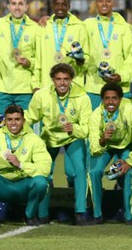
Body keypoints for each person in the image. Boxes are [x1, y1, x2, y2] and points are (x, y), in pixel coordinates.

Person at [26, 63, 93, 224]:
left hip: (72, 137)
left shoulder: (82, 97)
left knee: (78, 171)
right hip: (49, 138)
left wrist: (74, 128)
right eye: (58, 79)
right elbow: (29, 118)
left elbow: (87, 128)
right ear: (52, 80)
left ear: (71, 80)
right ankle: (42, 214)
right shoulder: (41, 96)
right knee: (44, 172)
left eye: (66, 79)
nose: (62, 83)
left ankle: (80, 213)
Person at [0, 105, 51, 226]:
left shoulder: (34, 140)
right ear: (5, 121)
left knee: (41, 182)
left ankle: (29, 215)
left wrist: (21, 164)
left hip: (24, 185)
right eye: (9, 119)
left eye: (17, 119)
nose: (13, 123)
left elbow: (45, 168)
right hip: (1, 185)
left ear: (23, 121)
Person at [88, 82, 132, 225]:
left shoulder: (130, 110)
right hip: (106, 147)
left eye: (114, 98)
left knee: (129, 172)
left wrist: (130, 161)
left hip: (126, 146)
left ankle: (129, 215)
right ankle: (97, 214)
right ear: (102, 99)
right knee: (94, 172)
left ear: (120, 99)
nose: (111, 102)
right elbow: (94, 148)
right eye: (107, 98)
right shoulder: (96, 116)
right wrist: (102, 140)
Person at [0, 0, 40, 120]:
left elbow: (40, 58)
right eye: (13, 4)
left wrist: (30, 63)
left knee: (25, 128)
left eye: (20, 4)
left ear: (26, 7)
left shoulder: (35, 29)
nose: (17, 7)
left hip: (25, 90)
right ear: (8, 6)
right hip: (2, 88)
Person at [83, 0, 132, 108]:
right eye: (100, 1)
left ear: (113, 4)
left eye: (108, 1)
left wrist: (121, 76)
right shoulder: (87, 25)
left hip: (119, 87)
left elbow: (131, 57)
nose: (104, 4)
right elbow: (70, 24)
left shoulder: (124, 27)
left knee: (120, 125)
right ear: (96, 4)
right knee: (94, 125)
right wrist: (49, 19)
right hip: (94, 88)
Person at [33, 0, 88, 90]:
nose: (60, 7)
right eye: (57, 4)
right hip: (47, 86)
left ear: (69, 6)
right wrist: (35, 84)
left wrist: (80, 60)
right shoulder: (43, 27)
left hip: (73, 86)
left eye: (64, 4)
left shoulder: (80, 27)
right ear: (53, 6)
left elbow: (87, 58)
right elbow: (38, 60)